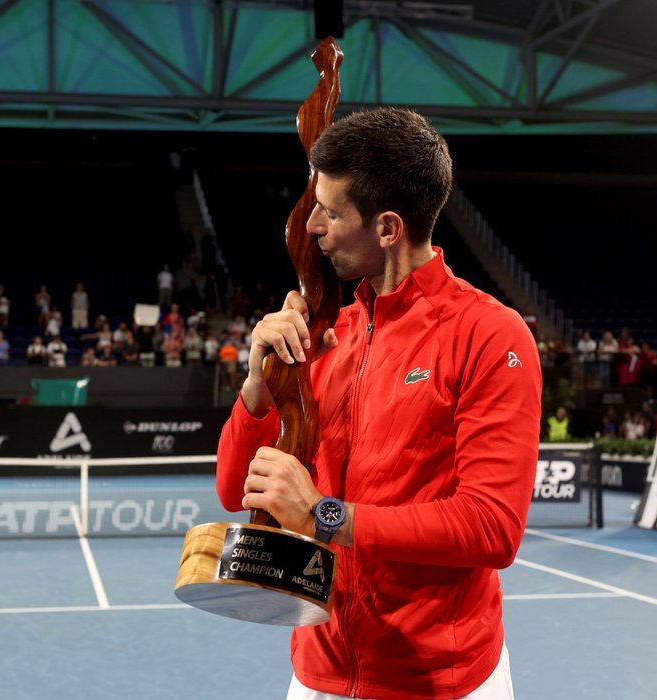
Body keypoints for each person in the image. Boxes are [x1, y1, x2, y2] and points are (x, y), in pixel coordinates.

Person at [215, 108, 541, 700]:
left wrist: (325, 517)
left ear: (388, 228)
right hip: (318, 674)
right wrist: (256, 390)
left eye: (330, 211)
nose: (310, 225)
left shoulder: (490, 335)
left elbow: (493, 528)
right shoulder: (322, 336)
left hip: (439, 681)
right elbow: (237, 487)